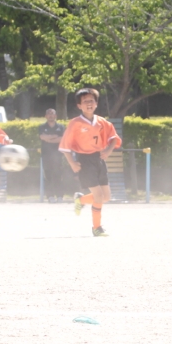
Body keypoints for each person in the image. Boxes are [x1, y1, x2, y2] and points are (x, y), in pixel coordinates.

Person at [60, 88, 122, 237]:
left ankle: (81, 199)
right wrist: (72, 163)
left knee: (106, 197)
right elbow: (64, 146)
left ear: (96, 103)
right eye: (85, 101)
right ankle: (97, 228)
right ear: (79, 105)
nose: (89, 103)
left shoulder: (102, 122)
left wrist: (108, 151)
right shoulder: (75, 123)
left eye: (91, 101)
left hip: (99, 159)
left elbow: (114, 138)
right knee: (98, 196)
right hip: (85, 160)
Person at [38, 108, 66, 202]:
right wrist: (54, 136)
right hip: (46, 154)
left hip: (58, 155)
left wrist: (49, 139)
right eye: (49, 114)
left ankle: (60, 196)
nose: (50, 116)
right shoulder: (42, 127)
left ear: (55, 116)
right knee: (48, 175)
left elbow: (61, 139)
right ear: (46, 116)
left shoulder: (61, 127)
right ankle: (50, 196)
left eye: (52, 114)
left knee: (58, 175)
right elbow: (42, 137)